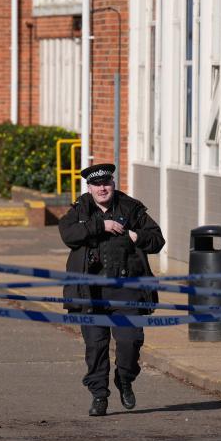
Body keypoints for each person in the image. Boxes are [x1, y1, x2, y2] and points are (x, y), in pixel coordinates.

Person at [58, 163, 165, 417]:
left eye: (106, 182)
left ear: (113, 184)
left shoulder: (131, 208)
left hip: (125, 290)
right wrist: (100, 226)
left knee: (130, 342)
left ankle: (125, 378)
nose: (102, 188)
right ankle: (99, 396)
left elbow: (157, 240)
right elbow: (68, 234)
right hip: (90, 292)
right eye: (97, 184)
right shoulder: (80, 209)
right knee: (96, 347)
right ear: (90, 188)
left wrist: (136, 236)